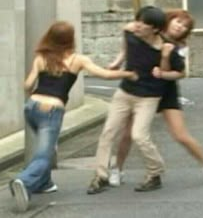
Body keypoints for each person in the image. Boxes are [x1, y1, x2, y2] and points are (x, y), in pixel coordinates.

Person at [8, 21, 137, 212]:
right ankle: (23, 181)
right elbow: (105, 75)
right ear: (70, 39)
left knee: (46, 148)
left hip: (32, 107)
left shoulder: (41, 57)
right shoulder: (77, 60)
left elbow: (27, 86)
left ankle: (44, 183)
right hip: (52, 110)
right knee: (45, 153)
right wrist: (128, 74)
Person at [108, 9, 203, 187]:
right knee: (128, 134)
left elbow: (178, 73)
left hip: (166, 91)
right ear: (168, 21)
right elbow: (129, 42)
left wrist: (163, 66)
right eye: (178, 21)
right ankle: (117, 170)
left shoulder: (179, 48)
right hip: (141, 89)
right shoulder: (149, 31)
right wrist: (118, 61)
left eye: (185, 26)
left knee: (180, 135)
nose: (180, 27)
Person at [87, 6, 185, 195]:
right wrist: (118, 60)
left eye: (143, 23)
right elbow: (126, 37)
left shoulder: (167, 48)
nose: (137, 26)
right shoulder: (132, 34)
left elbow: (181, 73)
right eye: (137, 21)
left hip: (148, 97)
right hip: (125, 93)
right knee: (108, 133)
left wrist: (164, 72)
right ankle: (101, 177)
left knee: (139, 136)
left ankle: (155, 173)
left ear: (155, 29)